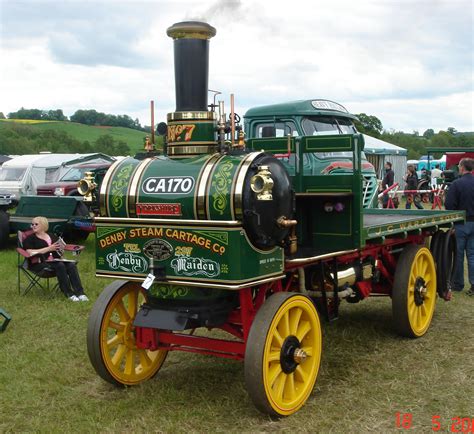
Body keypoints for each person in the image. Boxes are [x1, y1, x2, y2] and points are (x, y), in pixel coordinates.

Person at [22, 216, 89, 302]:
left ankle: (80, 293)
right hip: (39, 264)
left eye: (36, 224)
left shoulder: (52, 236)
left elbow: (59, 249)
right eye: (32, 224)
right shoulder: (30, 238)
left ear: (43, 225)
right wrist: (49, 248)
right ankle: (69, 294)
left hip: (55, 261)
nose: (33, 226)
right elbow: (30, 253)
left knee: (71, 265)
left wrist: (60, 251)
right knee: (60, 265)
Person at [445, 158, 474, 295]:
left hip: (461, 223)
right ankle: (473, 284)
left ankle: (458, 283)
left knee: (458, 255)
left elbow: (450, 205)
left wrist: (452, 223)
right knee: (472, 255)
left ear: (462, 168)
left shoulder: (456, 184)